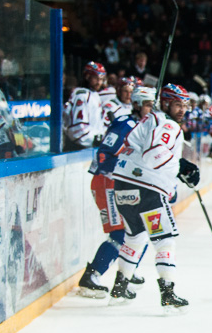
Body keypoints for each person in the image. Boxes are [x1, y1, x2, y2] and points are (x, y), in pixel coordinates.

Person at [110, 84, 200, 312]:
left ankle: (119, 288)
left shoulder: (150, 119)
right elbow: (153, 155)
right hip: (148, 190)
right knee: (164, 240)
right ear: (166, 103)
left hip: (123, 187)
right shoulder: (167, 123)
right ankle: (168, 293)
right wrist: (176, 166)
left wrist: (176, 167)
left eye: (184, 105)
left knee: (135, 237)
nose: (182, 110)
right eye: (177, 104)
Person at [77, 86, 157, 298]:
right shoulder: (125, 124)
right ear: (138, 105)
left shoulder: (147, 128)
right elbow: (104, 157)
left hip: (123, 186)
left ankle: (127, 272)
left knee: (140, 230)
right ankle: (91, 276)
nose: (153, 109)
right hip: (107, 183)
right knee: (120, 233)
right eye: (149, 104)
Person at [63, 62, 107, 151]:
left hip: (91, 147)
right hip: (78, 149)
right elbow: (77, 129)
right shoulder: (81, 95)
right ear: (87, 77)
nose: (99, 82)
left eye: (101, 79)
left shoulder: (94, 95)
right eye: (96, 78)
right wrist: (95, 140)